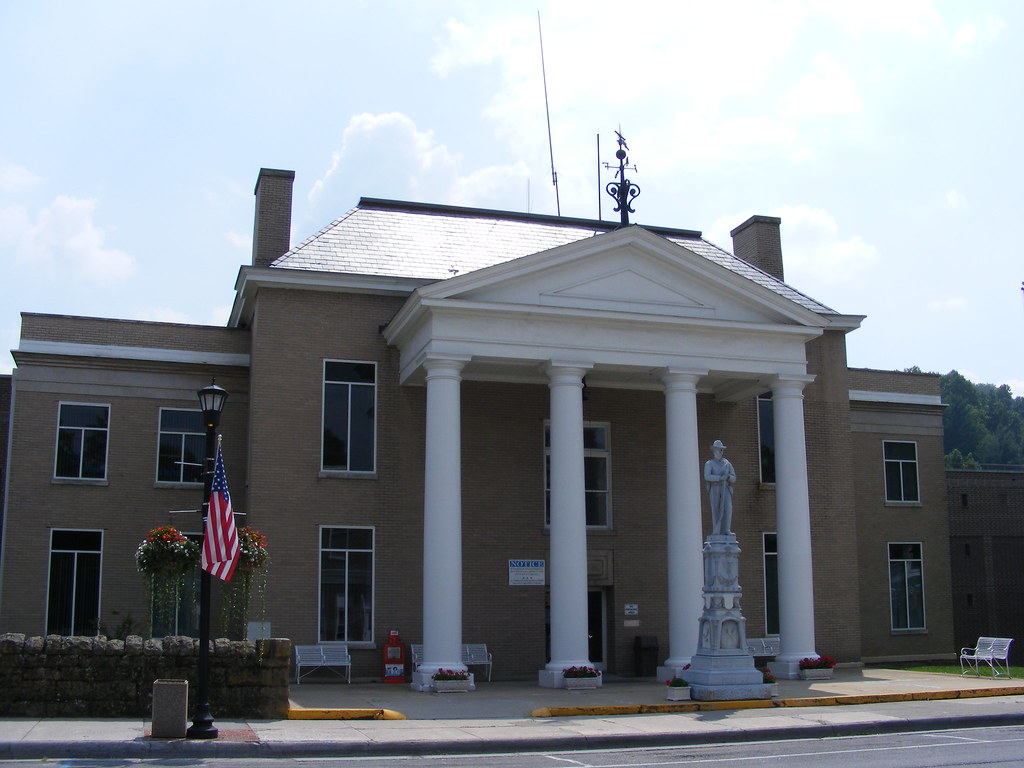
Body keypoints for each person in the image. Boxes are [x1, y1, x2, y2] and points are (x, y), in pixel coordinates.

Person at [704, 440, 736, 535]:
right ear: (714, 451)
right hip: (715, 488)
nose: (720, 452)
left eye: (721, 450)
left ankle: (727, 529)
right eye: (718, 450)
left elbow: (734, 477)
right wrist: (719, 478)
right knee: (716, 509)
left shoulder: (727, 463)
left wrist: (728, 477)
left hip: (725, 488)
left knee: (728, 508)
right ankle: (716, 530)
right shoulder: (709, 463)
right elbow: (707, 476)